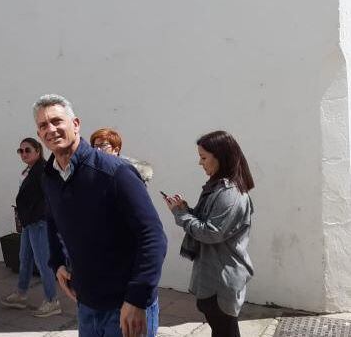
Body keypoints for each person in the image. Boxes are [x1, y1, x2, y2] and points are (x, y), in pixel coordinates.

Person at [33, 95, 167, 337]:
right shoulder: (50, 176)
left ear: (75, 124)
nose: (51, 129)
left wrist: (137, 299)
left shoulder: (115, 173)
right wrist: (58, 262)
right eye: (43, 125)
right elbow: (53, 220)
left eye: (56, 121)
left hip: (125, 305)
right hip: (87, 304)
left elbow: (153, 237)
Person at [162, 131, 254, 337]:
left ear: (221, 157)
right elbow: (208, 222)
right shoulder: (217, 188)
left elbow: (211, 232)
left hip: (222, 277)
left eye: (203, 157)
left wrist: (181, 215)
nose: (200, 163)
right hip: (214, 274)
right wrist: (187, 210)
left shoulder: (230, 193)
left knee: (225, 330)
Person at [0, 137, 61, 317]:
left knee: (43, 262)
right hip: (29, 222)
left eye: (28, 150)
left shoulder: (42, 170)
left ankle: (52, 300)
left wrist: (39, 214)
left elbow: (51, 195)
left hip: (38, 222)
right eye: (21, 151)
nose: (24, 154)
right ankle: (21, 294)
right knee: (24, 258)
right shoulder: (30, 170)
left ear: (38, 151)